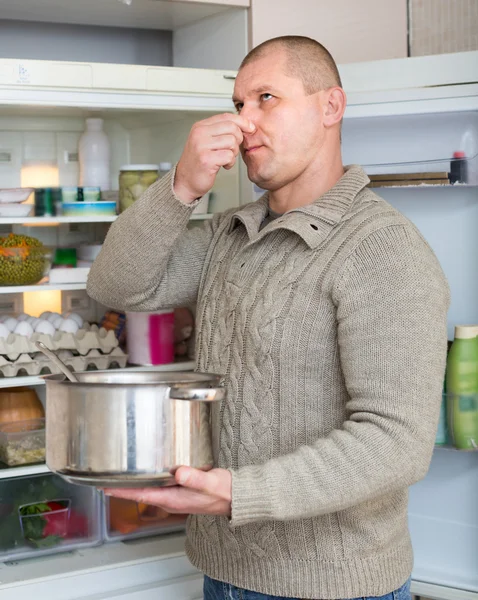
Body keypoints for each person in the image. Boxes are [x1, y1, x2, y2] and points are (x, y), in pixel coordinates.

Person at [87, 36, 450, 600]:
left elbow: (395, 441)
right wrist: (180, 188)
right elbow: (115, 286)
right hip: (221, 570)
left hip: (334, 585)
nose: (245, 123)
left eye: (266, 99)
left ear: (331, 107)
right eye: (238, 105)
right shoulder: (228, 233)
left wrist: (238, 492)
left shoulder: (383, 250)